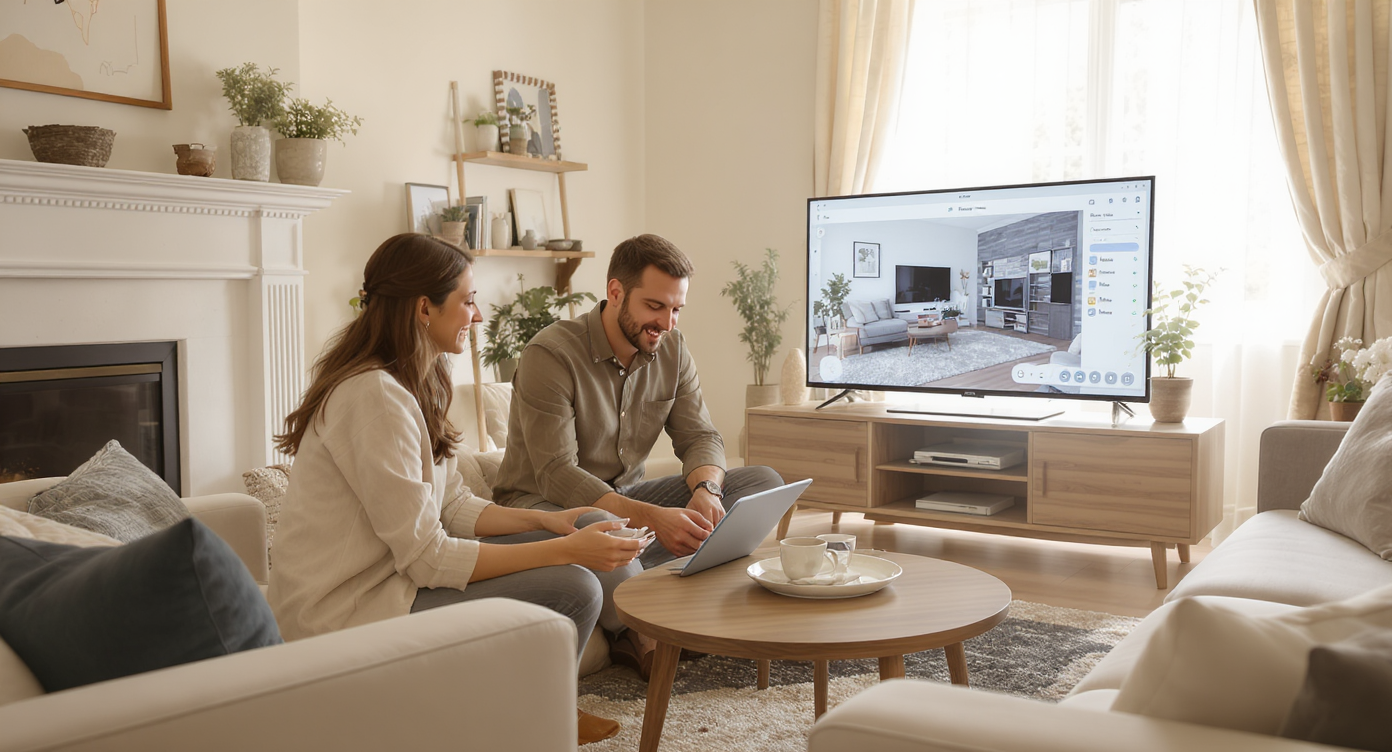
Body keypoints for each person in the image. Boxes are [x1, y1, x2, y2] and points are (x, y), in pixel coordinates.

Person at [266, 233, 632, 745]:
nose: (478, 316)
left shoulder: (412, 381)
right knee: (575, 584)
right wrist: (565, 549)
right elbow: (428, 559)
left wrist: (547, 521)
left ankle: (537, 707)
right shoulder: (373, 397)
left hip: (393, 580)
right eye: (468, 300)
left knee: (584, 524)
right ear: (423, 308)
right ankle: (532, 720)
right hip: (348, 612)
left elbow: (453, 502)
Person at [493, 233, 785, 679]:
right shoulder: (550, 354)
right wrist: (654, 519)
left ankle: (643, 583)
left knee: (761, 481)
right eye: (655, 306)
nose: (666, 322)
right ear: (615, 293)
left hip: (624, 499)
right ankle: (650, 618)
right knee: (600, 527)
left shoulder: (673, 349)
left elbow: (700, 435)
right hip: (544, 507)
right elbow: (556, 474)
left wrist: (706, 489)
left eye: (676, 309)